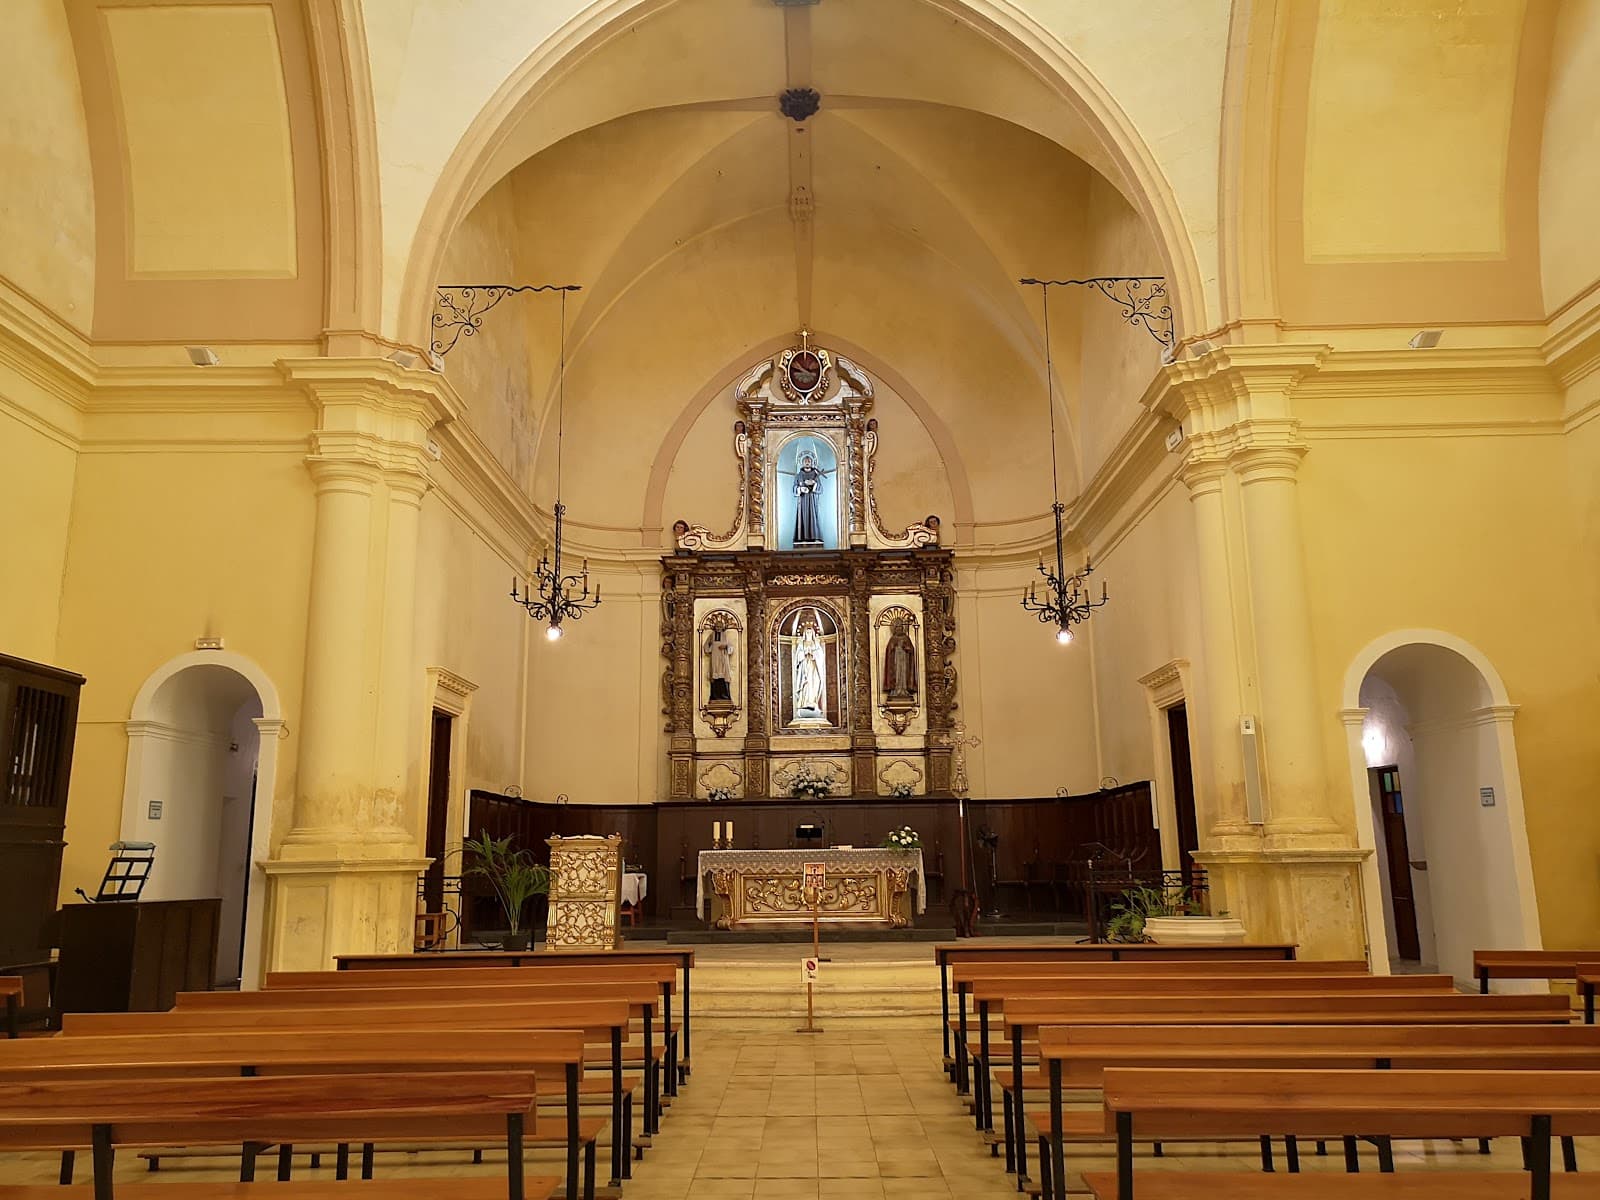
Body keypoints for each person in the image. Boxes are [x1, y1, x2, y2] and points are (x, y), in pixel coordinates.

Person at [792, 451, 829, 546]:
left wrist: (814, 484)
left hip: (813, 500)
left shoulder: (815, 475)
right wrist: (801, 489)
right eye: (805, 461)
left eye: (809, 461)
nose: (807, 463)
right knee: (802, 517)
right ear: (802, 463)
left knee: (813, 517)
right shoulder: (798, 476)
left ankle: (815, 536)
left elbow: (820, 489)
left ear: (812, 463)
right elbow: (794, 488)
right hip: (802, 501)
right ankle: (802, 537)